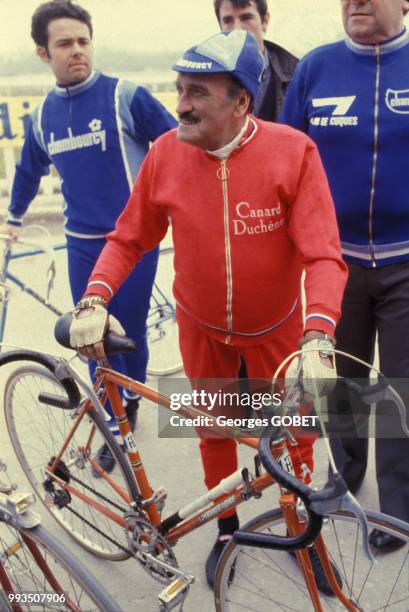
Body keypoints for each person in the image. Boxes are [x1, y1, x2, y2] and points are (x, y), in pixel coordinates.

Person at [68, 30, 347, 591]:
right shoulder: (167, 153)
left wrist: (319, 334)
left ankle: (305, 531)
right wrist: (95, 295)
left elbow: (323, 254)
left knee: (295, 432)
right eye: (179, 89)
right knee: (213, 430)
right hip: (201, 327)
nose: (181, 105)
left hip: (277, 328)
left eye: (196, 92)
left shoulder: (294, 151)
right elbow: (129, 238)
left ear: (242, 102)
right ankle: (227, 530)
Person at [1, 0, 176, 471]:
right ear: (43, 53)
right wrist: (12, 220)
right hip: (81, 243)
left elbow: (178, 144)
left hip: (134, 240)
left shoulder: (126, 95)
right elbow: (28, 171)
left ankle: (131, 406)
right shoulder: (42, 117)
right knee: (90, 337)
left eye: (83, 41)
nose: (77, 51)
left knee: (127, 333)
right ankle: (112, 421)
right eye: (64, 44)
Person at [281, 0, 409, 551]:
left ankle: (399, 504)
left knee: (401, 389)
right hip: (336, 262)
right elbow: (282, 155)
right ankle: (345, 473)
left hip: (407, 260)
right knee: (346, 382)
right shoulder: (315, 68)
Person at [214, 0, 298, 121]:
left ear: (265, 21)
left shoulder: (297, 76)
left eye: (246, 18)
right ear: (220, 26)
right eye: (228, 21)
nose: (237, 28)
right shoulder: (206, 78)